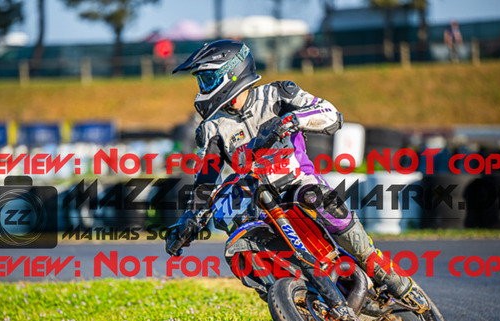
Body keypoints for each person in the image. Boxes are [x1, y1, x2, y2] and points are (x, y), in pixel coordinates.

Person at [166, 39, 414, 304]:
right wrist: (189, 220)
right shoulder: (211, 128)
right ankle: (289, 301)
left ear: (233, 71)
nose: (203, 89)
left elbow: (331, 114)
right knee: (241, 246)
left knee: (315, 197)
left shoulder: (278, 94)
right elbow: (205, 180)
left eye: (208, 79)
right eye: (202, 82)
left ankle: (374, 261)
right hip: (259, 203)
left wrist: (291, 121)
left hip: (298, 182)